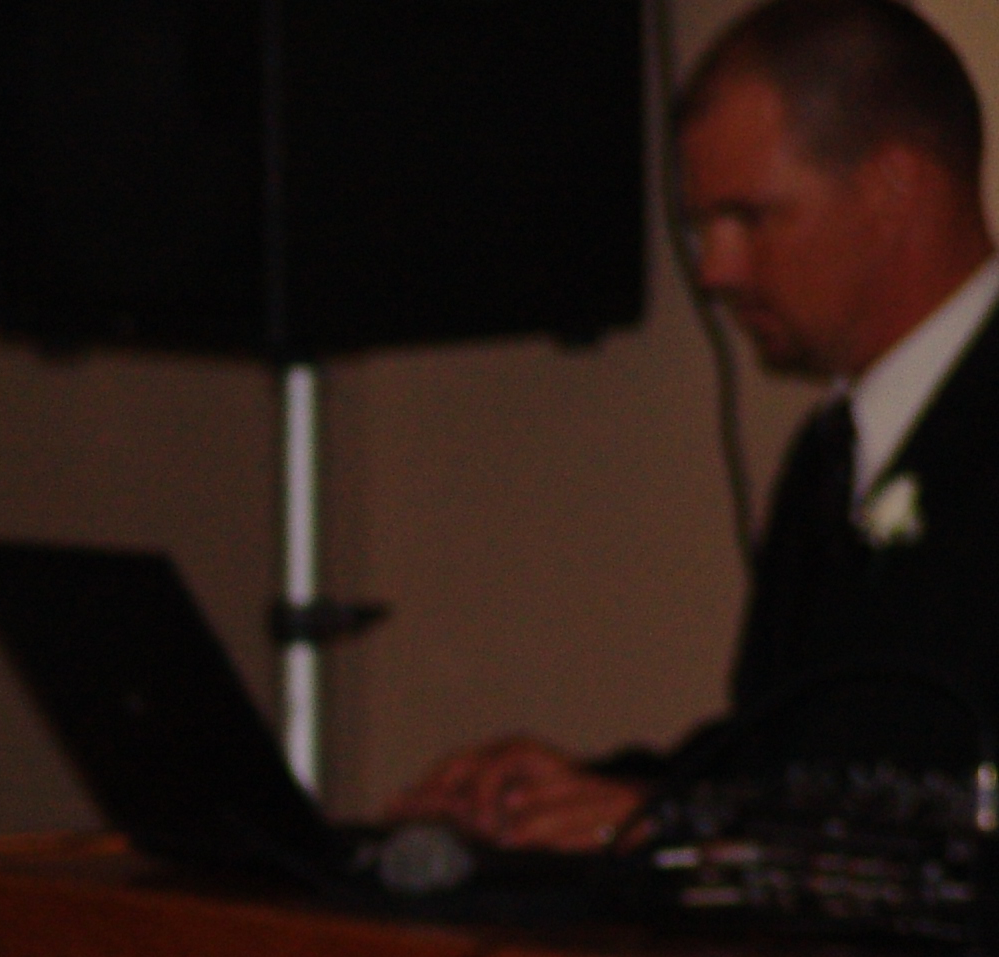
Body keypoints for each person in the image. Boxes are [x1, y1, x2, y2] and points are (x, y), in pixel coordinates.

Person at [392, 0, 998, 849]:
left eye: (748, 217)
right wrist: (601, 792)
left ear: (894, 188)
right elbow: (797, 761)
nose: (715, 270)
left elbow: (944, 793)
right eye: (702, 227)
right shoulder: (831, 455)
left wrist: (682, 824)